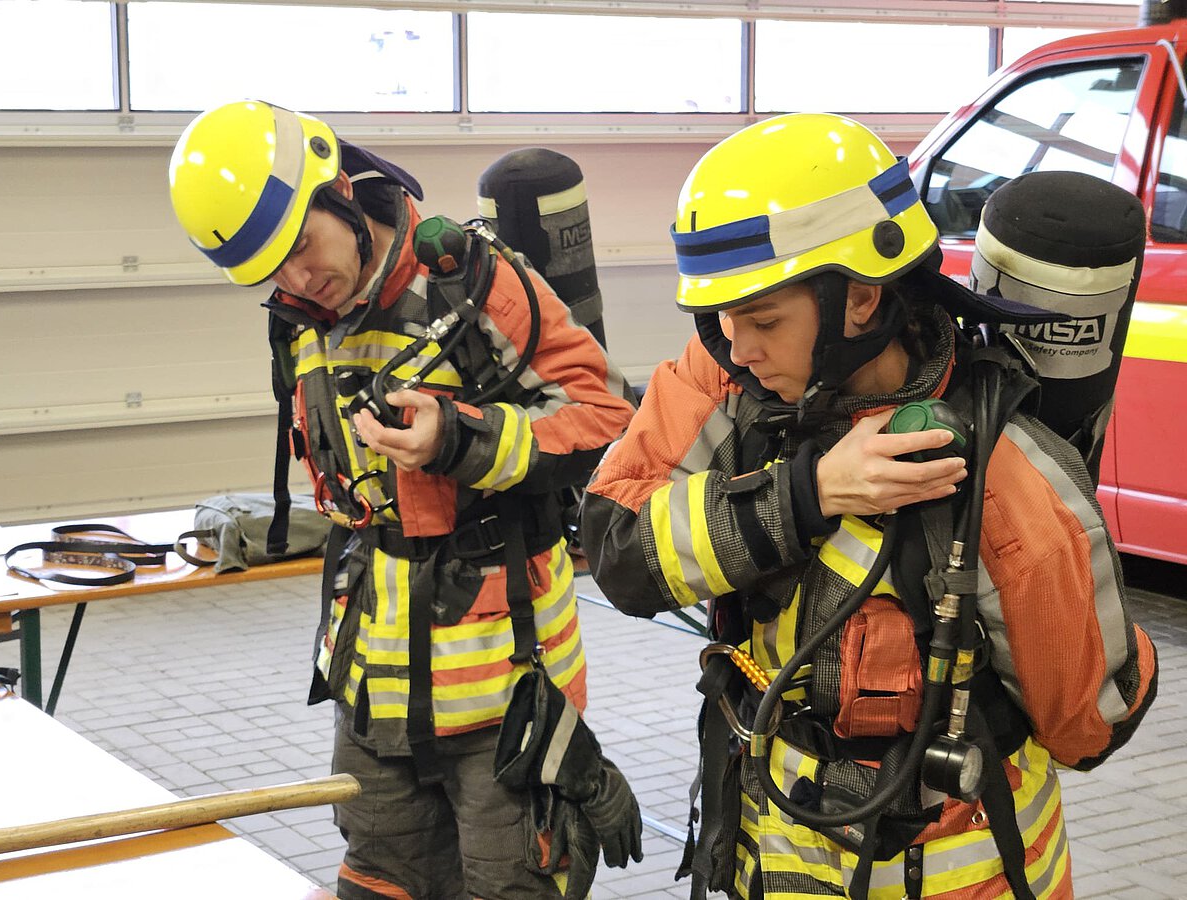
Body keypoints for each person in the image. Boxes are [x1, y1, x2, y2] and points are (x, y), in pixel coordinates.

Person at [580, 112, 1158, 899]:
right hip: (769, 859)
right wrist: (808, 493)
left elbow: (1089, 723)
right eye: (719, 317)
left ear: (859, 298)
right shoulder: (726, 377)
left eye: (764, 320)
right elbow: (616, 551)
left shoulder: (1002, 472)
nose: (737, 346)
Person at [168, 99, 638, 900]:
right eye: (272, 270)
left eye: (302, 247)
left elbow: (606, 422)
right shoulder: (301, 318)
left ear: (340, 192)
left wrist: (459, 439)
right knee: (378, 885)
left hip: (503, 692)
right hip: (375, 689)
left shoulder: (474, 285)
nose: (298, 280)